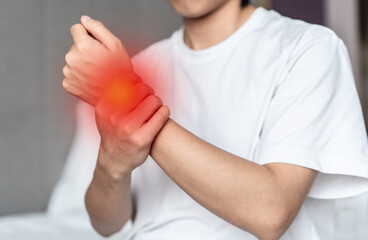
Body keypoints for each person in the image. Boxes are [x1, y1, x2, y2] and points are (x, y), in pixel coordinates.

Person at [62, 0, 368, 239]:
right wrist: (112, 166)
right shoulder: (140, 67)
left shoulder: (309, 48)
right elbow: (106, 223)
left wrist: (132, 103)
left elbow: (270, 214)